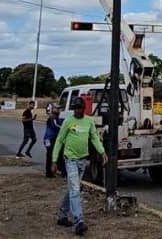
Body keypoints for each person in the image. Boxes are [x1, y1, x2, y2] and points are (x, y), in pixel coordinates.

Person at [52, 97, 106, 236]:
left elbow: (94, 138)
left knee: (72, 188)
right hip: (70, 160)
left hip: (83, 160)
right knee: (75, 190)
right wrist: (54, 160)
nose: (77, 111)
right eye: (74, 108)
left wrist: (102, 152)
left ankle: (61, 216)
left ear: (83, 108)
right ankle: (78, 221)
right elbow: (59, 140)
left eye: (79, 108)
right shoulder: (68, 122)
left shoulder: (88, 121)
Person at [43, 104, 62, 177]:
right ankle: (49, 172)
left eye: (58, 112)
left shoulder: (57, 119)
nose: (57, 113)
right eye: (55, 113)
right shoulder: (52, 119)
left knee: (54, 154)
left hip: (53, 138)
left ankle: (52, 170)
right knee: (50, 155)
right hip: (48, 139)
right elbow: (56, 126)